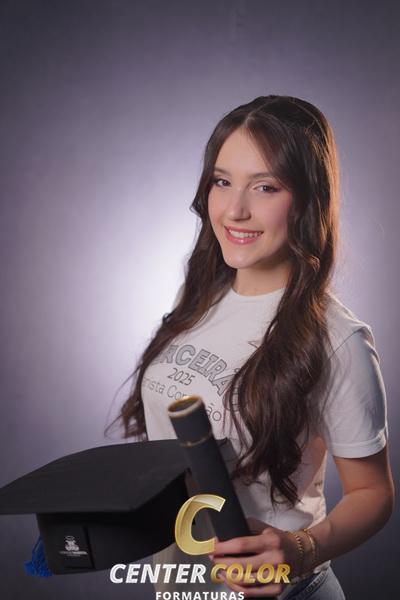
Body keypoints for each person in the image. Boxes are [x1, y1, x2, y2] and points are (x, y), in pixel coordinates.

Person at [114, 95, 394, 599]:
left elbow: (373, 493)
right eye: (222, 182)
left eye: (266, 187)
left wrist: (300, 549)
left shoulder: (338, 339)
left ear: (308, 198)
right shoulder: (201, 294)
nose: (234, 209)